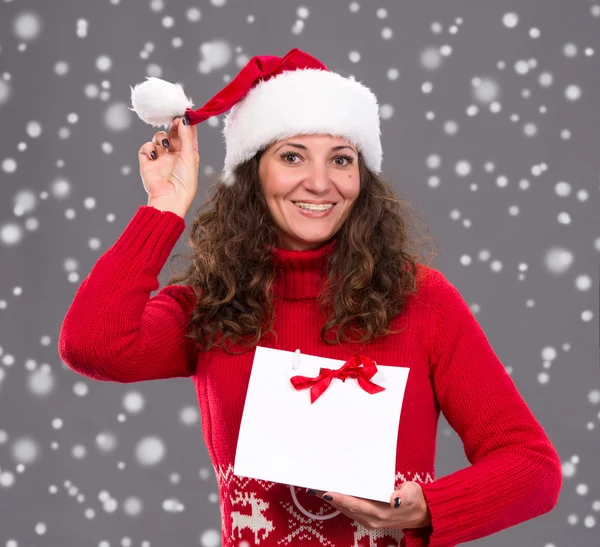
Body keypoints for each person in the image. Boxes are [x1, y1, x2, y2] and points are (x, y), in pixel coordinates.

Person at [58, 48, 562, 547]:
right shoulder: (211, 303)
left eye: (341, 160)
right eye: (292, 156)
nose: (320, 183)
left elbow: (533, 467)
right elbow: (93, 346)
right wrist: (164, 206)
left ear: (361, 178)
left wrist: (429, 508)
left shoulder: (422, 300)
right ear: (254, 172)